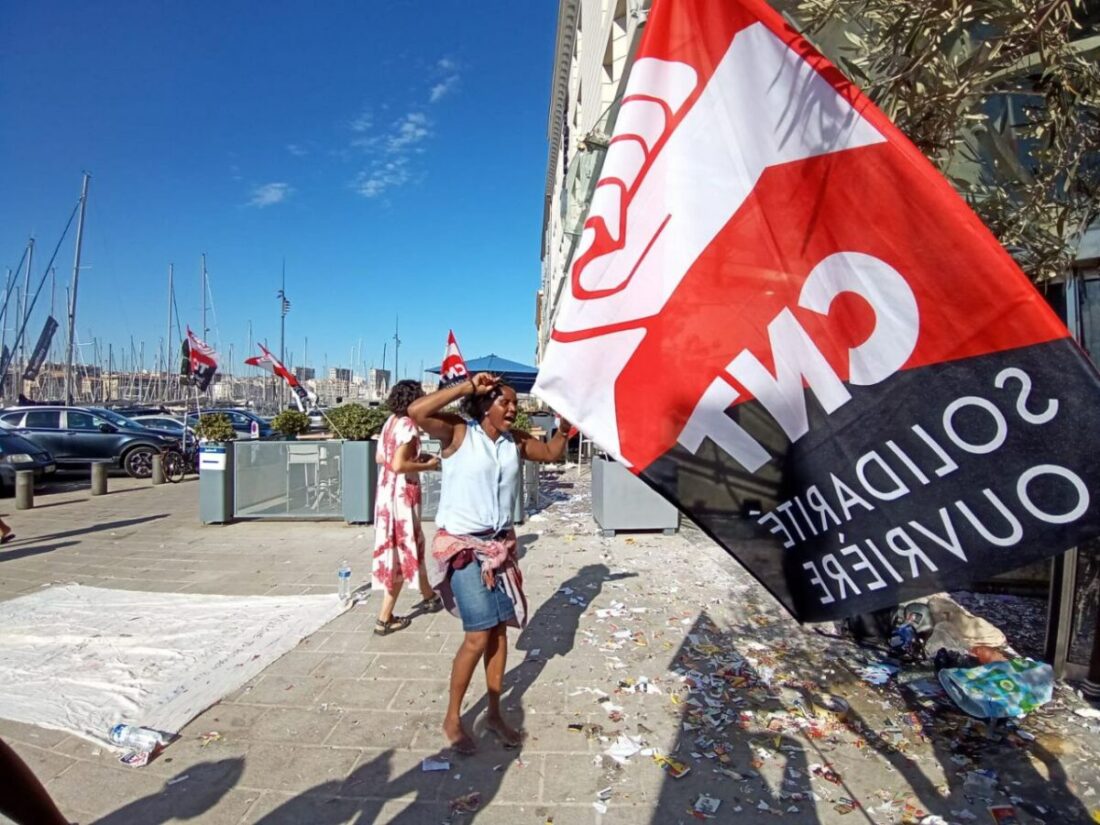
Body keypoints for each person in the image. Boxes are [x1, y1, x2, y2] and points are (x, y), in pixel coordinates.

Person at [409, 372, 573, 753]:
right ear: (485, 405)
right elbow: (417, 411)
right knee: (478, 634)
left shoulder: (514, 442)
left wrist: (565, 429)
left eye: (516, 403)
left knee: (499, 632)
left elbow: (550, 454)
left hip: (500, 548)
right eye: (506, 402)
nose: (514, 409)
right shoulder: (458, 433)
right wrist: (466, 386)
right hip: (465, 549)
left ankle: (495, 713)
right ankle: (453, 717)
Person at [372, 380, 443, 635]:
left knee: (411, 544)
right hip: (402, 496)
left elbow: (382, 457)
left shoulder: (390, 422)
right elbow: (400, 465)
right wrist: (428, 465)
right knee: (402, 549)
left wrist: (413, 459)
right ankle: (384, 617)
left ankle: (429, 596)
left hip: (385, 493)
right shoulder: (409, 427)